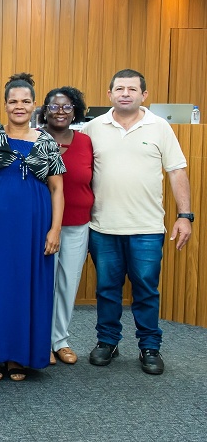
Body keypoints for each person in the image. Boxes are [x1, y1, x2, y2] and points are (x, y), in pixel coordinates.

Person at [82, 69, 192, 375]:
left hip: (146, 228)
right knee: (107, 288)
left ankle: (149, 347)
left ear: (144, 95)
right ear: (109, 95)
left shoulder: (159, 127)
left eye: (132, 89)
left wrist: (185, 216)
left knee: (145, 289)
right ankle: (108, 342)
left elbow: (177, 172)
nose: (125, 93)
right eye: (119, 88)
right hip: (104, 228)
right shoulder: (93, 128)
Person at [0, 76, 65, 381]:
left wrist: (55, 230)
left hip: (34, 227)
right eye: (13, 101)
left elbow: (57, 190)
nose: (19, 106)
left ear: (34, 105)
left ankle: (19, 354)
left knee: (27, 286)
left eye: (25, 101)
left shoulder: (47, 141)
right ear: (5, 104)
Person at [38, 86, 93, 365]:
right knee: (42, 283)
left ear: (76, 111)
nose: (60, 112)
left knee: (67, 284)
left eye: (67, 107)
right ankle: (39, 342)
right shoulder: (34, 139)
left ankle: (60, 340)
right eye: (54, 106)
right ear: (44, 111)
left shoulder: (86, 142)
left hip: (76, 225)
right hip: (41, 227)